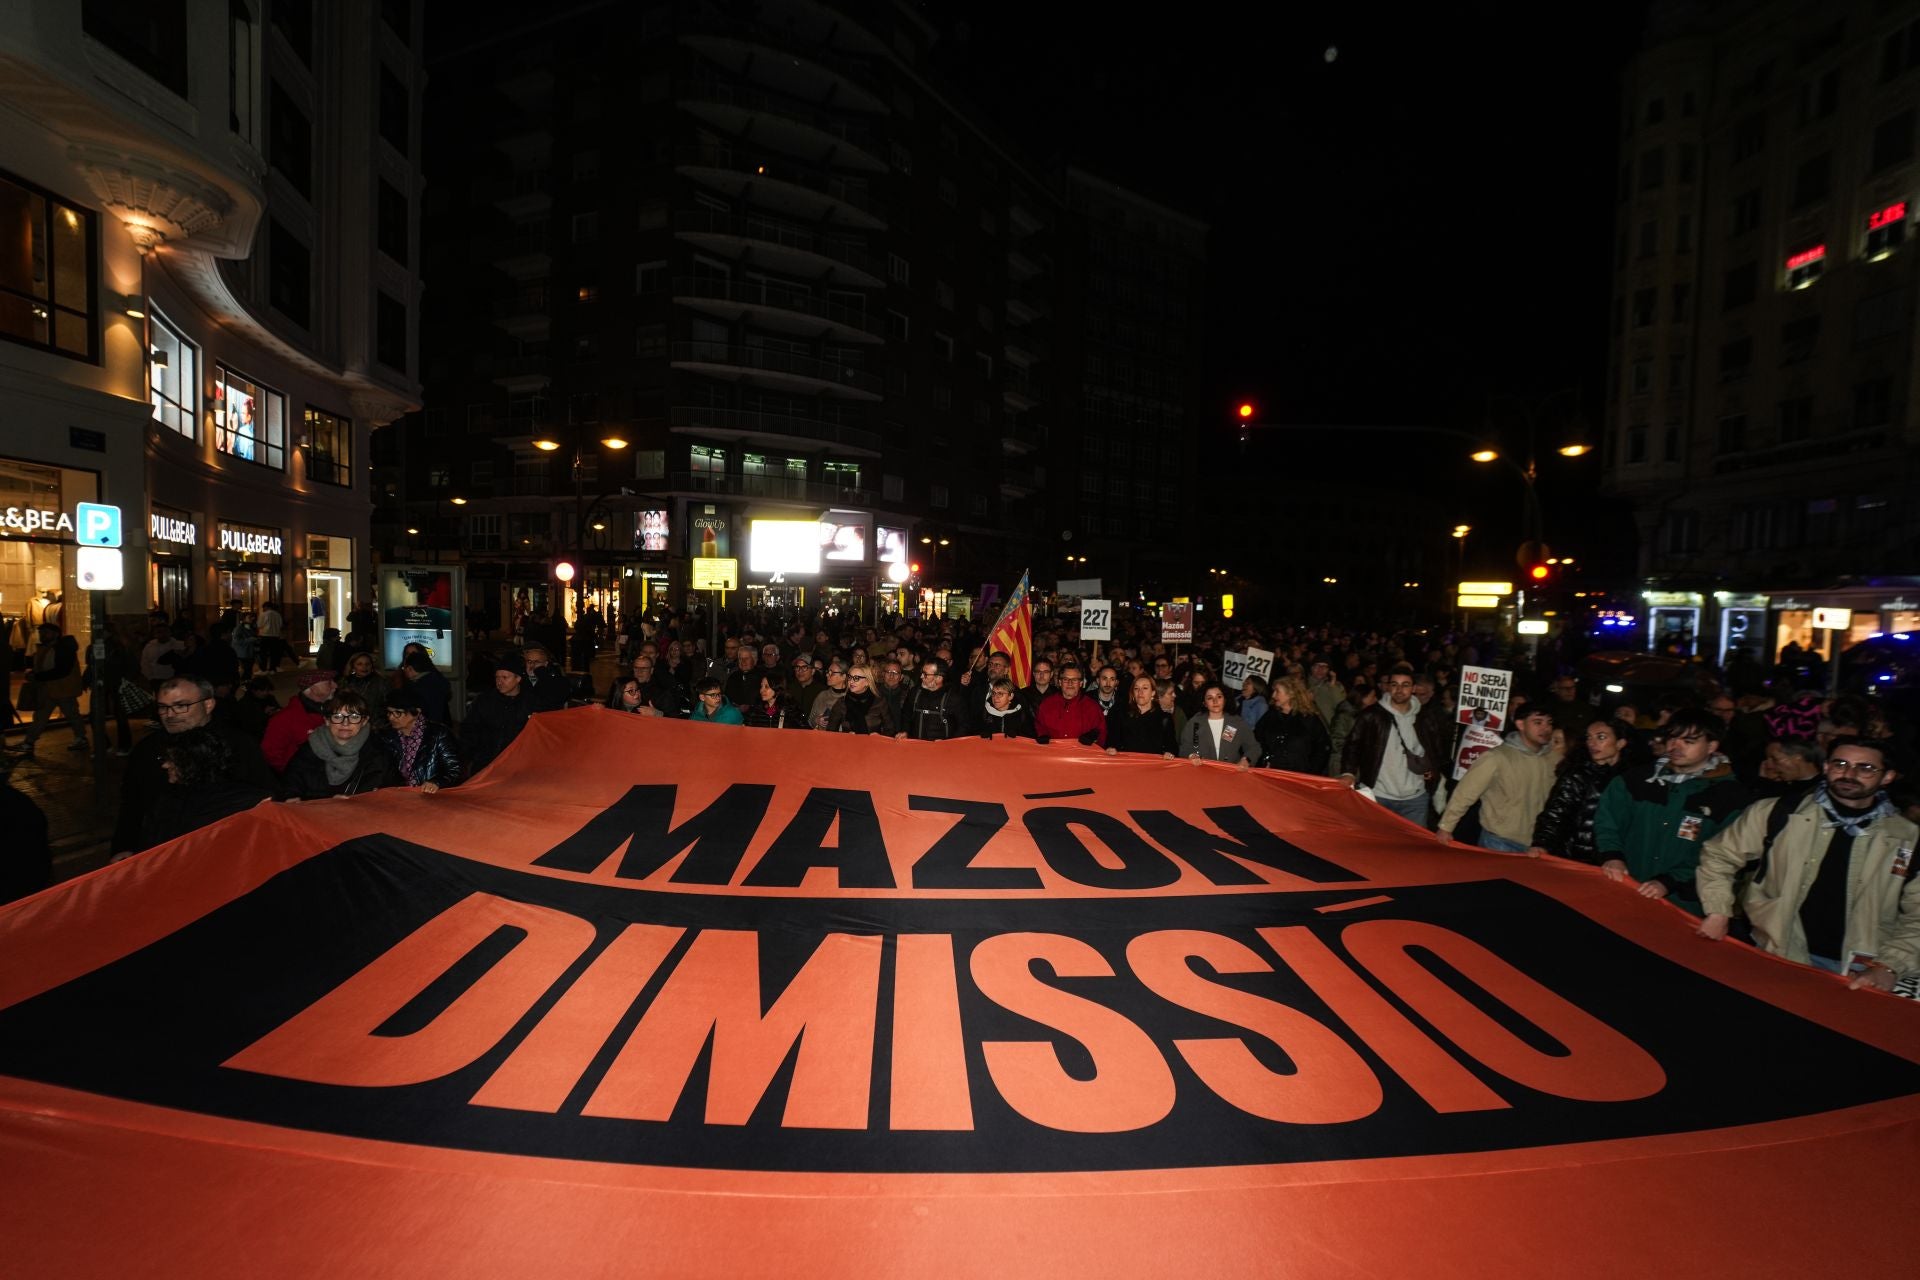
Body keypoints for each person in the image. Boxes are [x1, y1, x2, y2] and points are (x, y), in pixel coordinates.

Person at [1696, 739, 1918, 991]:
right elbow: (1719, 854)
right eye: (1840, 764)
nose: (1849, 774)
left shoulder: (1908, 838)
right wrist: (1718, 910)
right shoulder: (1777, 812)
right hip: (1776, 950)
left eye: (1865, 768)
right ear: (1825, 767)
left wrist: (1889, 966)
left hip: (1857, 970)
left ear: (1887, 777)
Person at [1593, 708, 1752, 914]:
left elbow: (1721, 854)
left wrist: (1671, 881)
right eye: (1672, 738)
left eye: (1688, 741)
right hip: (1626, 889)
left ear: (1711, 746)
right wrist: (1611, 856)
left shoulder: (1729, 796)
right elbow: (1607, 822)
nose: (1675, 746)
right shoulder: (1635, 779)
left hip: (1682, 904)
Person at [111, 677, 276, 857]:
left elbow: (262, 797)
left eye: (181, 705)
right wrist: (123, 845)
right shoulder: (147, 749)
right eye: (163, 707)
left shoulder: (239, 745)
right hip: (160, 854)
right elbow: (132, 802)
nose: (170, 714)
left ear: (208, 705)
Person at [1437, 705, 1559, 853]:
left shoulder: (1553, 759)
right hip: (1500, 842)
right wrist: (1446, 827)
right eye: (1538, 722)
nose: (1545, 728)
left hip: (1537, 845)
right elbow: (1465, 793)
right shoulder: (1496, 757)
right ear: (1520, 724)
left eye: (1549, 722)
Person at [1339, 666, 1449, 828]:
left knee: (1412, 849)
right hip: (1378, 795)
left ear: (1413, 689)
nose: (1399, 689)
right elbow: (1353, 745)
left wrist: (1431, 776)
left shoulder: (1425, 718)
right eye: (1395, 684)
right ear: (1388, 687)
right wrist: (1348, 773)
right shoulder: (1372, 715)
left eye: (1405, 685)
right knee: (1375, 846)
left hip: (1415, 799)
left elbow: (1436, 752)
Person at [141, 727, 275, 846]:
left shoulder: (245, 802)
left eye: (173, 760)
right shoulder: (249, 799)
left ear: (192, 764)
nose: (165, 765)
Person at [1530, 718, 1628, 863]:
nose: (1592, 743)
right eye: (1589, 737)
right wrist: (1542, 844)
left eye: (1601, 737)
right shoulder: (1577, 774)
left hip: (1612, 860)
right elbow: (1555, 813)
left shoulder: (1631, 779)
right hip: (1573, 857)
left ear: (1620, 743)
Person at [281, 691, 395, 799]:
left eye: (354, 717)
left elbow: (393, 789)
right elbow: (288, 788)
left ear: (364, 721)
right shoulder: (308, 751)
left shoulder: (378, 753)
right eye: (338, 716)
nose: (345, 723)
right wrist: (326, 801)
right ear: (327, 720)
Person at [16, 623, 88, 754]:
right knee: (40, 717)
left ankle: (81, 738)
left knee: (71, 715)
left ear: (55, 634)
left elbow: (61, 670)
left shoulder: (63, 648)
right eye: (41, 632)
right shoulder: (48, 648)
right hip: (50, 688)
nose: (42, 635)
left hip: (63, 689)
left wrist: (38, 676)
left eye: (45, 632)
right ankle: (29, 742)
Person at [377, 686, 465, 793]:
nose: (391, 717)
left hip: (431, 796)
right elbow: (379, 770)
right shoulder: (385, 736)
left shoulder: (438, 734)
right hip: (398, 796)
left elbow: (454, 769)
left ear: (417, 712)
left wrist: (437, 782)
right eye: (389, 712)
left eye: (398, 713)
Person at [463, 655, 535, 773]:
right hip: (486, 764)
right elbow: (469, 730)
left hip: (518, 767)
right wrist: (469, 757)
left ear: (518, 679)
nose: (499, 682)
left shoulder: (530, 703)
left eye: (505, 677)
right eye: (497, 677)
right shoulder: (484, 701)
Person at [261, 670, 337, 773]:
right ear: (312, 688)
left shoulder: (333, 709)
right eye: (328, 682)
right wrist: (295, 775)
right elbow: (271, 754)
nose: (335, 685)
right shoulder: (284, 719)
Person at [1255, 676, 1331, 774]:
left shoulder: (1309, 719)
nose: (1273, 695)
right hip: (1270, 772)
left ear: (1291, 694)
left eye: (1277, 691)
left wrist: (1310, 772)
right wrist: (1264, 760)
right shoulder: (1270, 716)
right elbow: (1257, 740)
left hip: (1298, 776)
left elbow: (1322, 748)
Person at [1183, 681, 1263, 769]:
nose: (1215, 701)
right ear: (1204, 703)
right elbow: (1185, 747)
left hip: (1231, 774)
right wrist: (1191, 755)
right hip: (1203, 773)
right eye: (1210, 698)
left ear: (1225, 700)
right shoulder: (1195, 723)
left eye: (1219, 697)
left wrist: (1246, 759)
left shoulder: (1236, 722)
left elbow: (1254, 747)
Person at [1034, 664, 1106, 747]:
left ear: (1081, 683)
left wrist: (1093, 737)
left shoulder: (1092, 707)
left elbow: (1101, 733)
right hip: (1053, 755)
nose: (1070, 683)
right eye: (1065, 679)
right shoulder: (1047, 704)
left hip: (1080, 756)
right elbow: (1038, 726)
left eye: (1074, 680)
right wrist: (1042, 735)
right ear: (1060, 682)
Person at [900, 658, 970, 741]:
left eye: (925, 674)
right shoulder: (914, 693)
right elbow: (906, 717)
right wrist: (905, 732)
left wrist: (948, 743)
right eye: (922, 673)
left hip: (943, 751)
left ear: (939, 678)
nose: (921, 676)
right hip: (916, 747)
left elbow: (964, 726)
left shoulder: (953, 698)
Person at [1107, 674, 1174, 757]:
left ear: (1153, 693)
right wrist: (1111, 749)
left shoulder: (1164, 718)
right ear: (1133, 693)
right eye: (1136, 688)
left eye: (1145, 688)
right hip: (1127, 766)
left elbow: (1172, 747)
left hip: (1153, 768)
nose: (1140, 692)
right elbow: (1112, 742)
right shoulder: (1120, 715)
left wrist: (1169, 753)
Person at [824, 665, 895, 734]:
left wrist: (878, 737)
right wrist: (845, 737)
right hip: (848, 745)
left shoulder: (879, 702)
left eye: (856, 678)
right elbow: (830, 732)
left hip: (873, 744)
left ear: (867, 682)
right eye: (850, 677)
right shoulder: (842, 703)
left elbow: (890, 730)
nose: (851, 681)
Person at [1757, 736, 1824, 795]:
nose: (1769, 766)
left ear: (1798, 757)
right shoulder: (1782, 789)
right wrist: (1764, 783)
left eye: (1775, 759)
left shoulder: (1825, 789)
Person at [401, 651, 452, 727]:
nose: (404, 671)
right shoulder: (438, 681)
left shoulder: (417, 688)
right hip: (439, 728)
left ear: (410, 669)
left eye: (404, 668)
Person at [521, 642, 571, 712]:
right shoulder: (520, 677)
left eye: (537, 662)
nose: (532, 665)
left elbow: (554, 698)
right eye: (529, 661)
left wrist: (540, 673)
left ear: (546, 664)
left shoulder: (555, 678)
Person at [338, 651, 387, 720]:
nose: (364, 667)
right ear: (353, 667)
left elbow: (386, 704)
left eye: (367, 664)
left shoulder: (380, 682)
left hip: (375, 722)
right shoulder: (345, 682)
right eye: (359, 664)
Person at [807, 660, 850, 730]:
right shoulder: (822, 695)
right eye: (827, 672)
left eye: (832, 673)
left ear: (843, 676)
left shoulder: (850, 697)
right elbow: (810, 720)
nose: (827, 675)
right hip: (821, 738)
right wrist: (816, 720)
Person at [255, 602, 288, 671]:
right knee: (274, 653)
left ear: (266, 607)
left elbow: (259, 625)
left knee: (263, 654)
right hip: (275, 636)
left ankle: (263, 669)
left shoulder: (263, 615)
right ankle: (272, 668)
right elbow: (281, 625)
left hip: (265, 636)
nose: (263, 609)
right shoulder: (278, 615)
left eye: (263, 607)